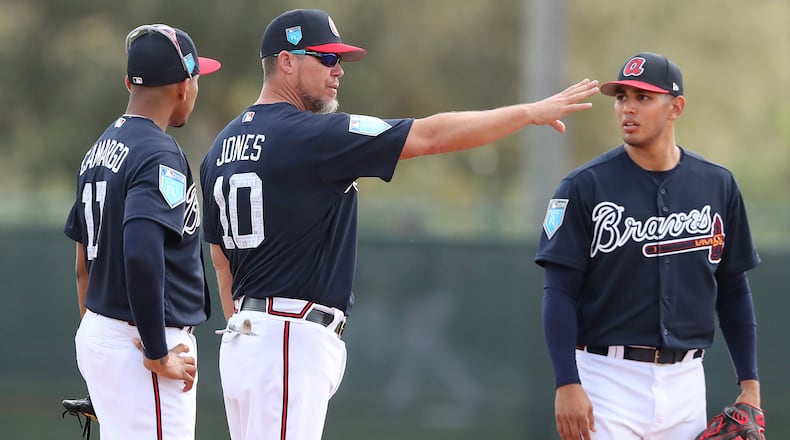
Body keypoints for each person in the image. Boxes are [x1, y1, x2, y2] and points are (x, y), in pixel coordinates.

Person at [201, 8, 598, 440]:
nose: (338, 71)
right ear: (287, 61)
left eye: (340, 61)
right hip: (286, 339)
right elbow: (430, 136)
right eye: (326, 59)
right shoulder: (312, 136)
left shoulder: (221, 146)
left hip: (248, 338)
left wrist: (250, 328)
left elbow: (221, 260)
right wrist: (528, 113)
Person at [535, 52, 763, 440]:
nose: (628, 108)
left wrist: (750, 385)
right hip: (605, 377)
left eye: (643, 97)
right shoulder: (583, 187)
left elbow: (733, 289)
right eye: (622, 97)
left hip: (687, 381)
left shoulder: (718, 185)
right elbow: (558, 292)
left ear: (676, 107)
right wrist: (566, 382)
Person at [63, 24, 220, 439]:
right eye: (197, 78)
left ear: (128, 81)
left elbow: (83, 266)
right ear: (184, 86)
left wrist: (100, 340)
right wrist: (156, 351)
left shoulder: (99, 149)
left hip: (105, 329)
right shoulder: (158, 152)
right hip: (144, 343)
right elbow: (140, 253)